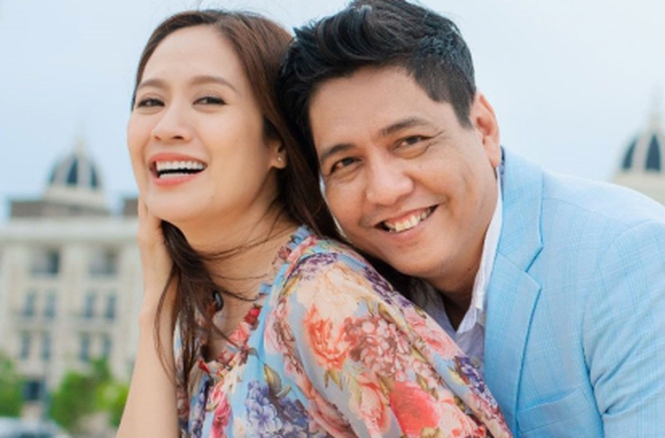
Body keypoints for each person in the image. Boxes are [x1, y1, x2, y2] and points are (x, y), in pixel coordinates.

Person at [277, 0, 665, 436]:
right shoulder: (346, 297)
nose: (385, 190)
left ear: (483, 128)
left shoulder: (629, 258)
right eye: (346, 163)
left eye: (410, 141)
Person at [117, 9, 512, 438]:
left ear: (278, 143)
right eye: (150, 102)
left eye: (209, 100)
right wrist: (156, 307)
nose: (167, 127)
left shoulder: (324, 298)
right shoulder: (205, 321)